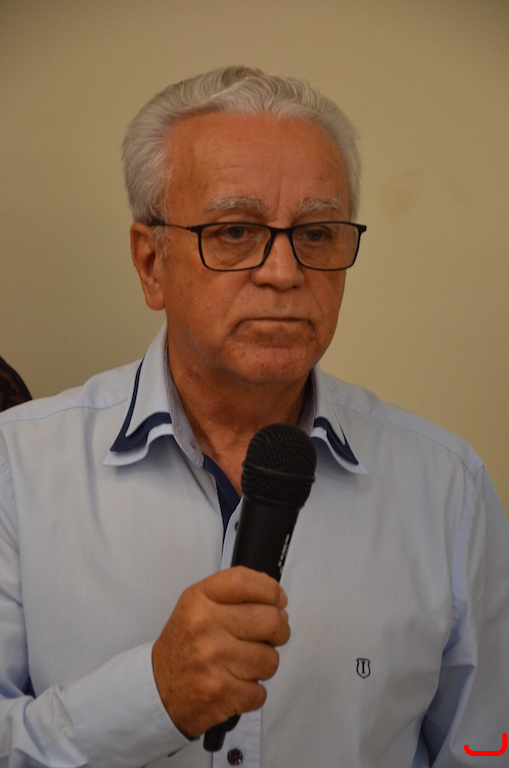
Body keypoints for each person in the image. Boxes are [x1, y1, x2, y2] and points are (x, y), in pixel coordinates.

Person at [0, 66, 508, 768]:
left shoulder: (447, 488)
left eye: (317, 233)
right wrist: (150, 698)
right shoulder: (18, 468)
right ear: (151, 263)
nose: (283, 272)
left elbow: (487, 745)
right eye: (235, 231)